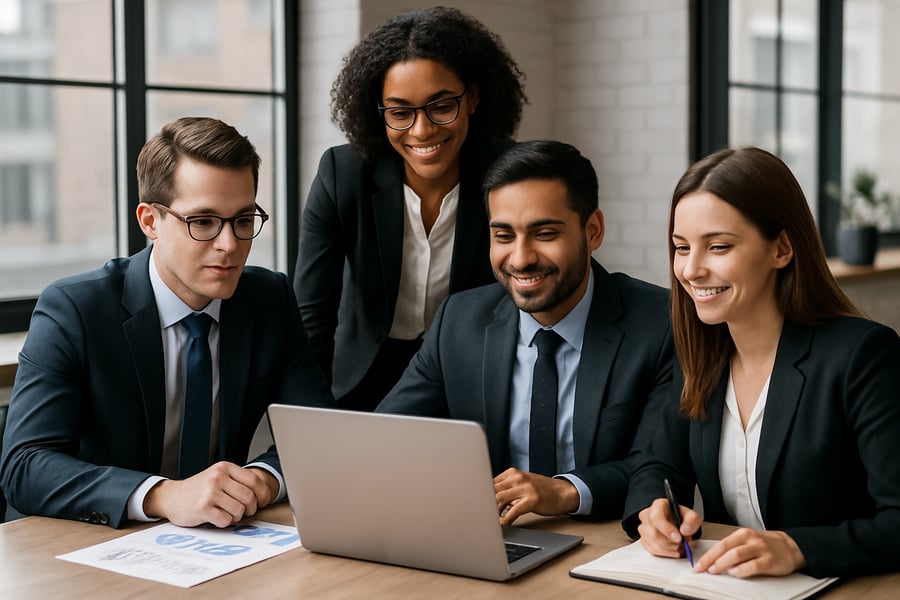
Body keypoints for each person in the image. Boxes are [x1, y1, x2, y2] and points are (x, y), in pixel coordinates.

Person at [0, 117, 334, 529]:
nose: (229, 245)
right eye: (203, 222)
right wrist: (163, 495)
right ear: (149, 221)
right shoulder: (75, 309)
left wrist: (262, 481)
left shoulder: (268, 301)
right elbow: (25, 466)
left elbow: (318, 436)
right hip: (77, 544)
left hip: (213, 545)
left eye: (243, 221)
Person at [623, 146, 900, 578]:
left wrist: (797, 548)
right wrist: (653, 511)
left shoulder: (863, 356)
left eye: (718, 246)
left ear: (782, 249)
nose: (691, 269)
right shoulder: (698, 353)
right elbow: (656, 465)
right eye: (681, 247)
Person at [377, 140, 674, 525]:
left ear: (593, 230)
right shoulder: (459, 321)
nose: (520, 259)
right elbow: (386, 434)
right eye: (503, 236)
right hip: (494, 539)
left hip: (606, 543)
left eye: (545, 233)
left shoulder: (660, 324)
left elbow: (660, 466)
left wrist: (565, 490)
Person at [295, 6, 527, 411]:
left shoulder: (509, 176)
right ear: (379, 112)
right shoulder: (342, 174)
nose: (422, 131)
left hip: (474, 374)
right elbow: (312, 316)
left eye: (440, 106)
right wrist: (309, 418)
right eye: (400, 112)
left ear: (472, 98)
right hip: (363, 375)